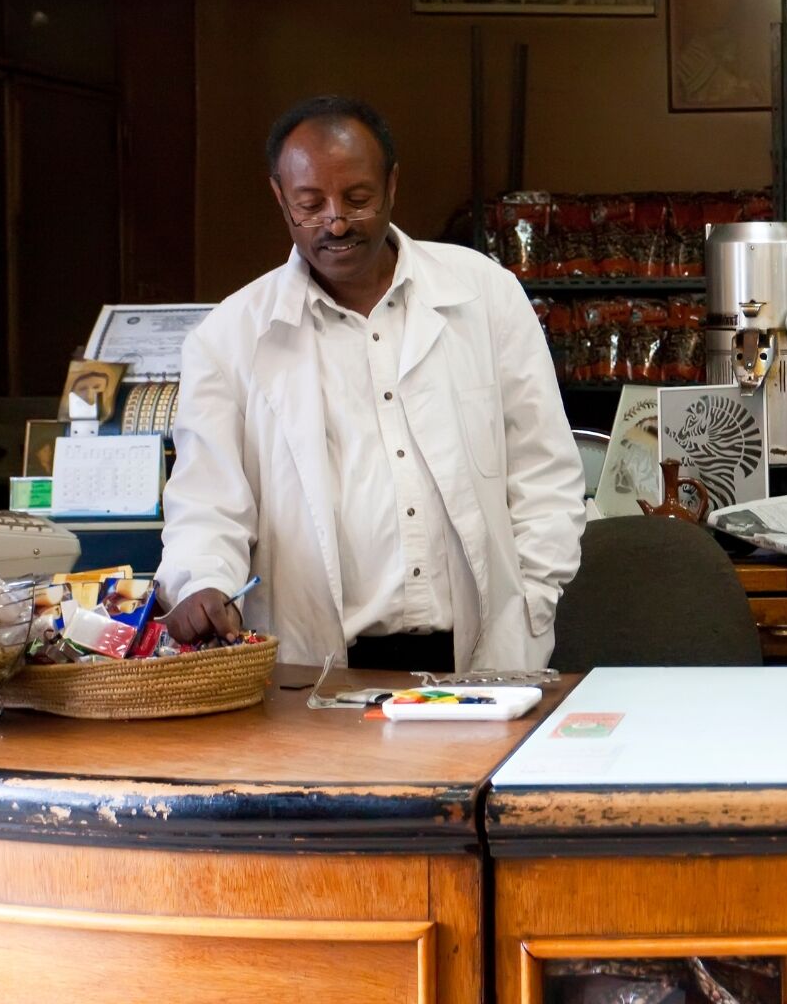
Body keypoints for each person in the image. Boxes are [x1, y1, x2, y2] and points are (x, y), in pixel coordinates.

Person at [155, 96, 588, 672]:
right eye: (310, 204)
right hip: (317, 664)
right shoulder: (230, 337)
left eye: (357, 199)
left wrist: (535, 596)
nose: (335, 222)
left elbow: (545, 470)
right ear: (280, 198)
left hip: (482, 652)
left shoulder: (485, 293)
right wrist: (203, 582)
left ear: (392, 186)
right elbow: (207, 504)